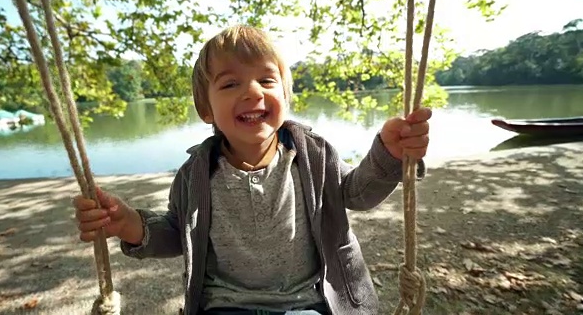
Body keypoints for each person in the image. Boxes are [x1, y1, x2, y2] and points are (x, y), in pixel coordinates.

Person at [73, 25, 431, 315]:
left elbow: (356, 193)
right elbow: (176, 231)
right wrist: (129, 224)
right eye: (230, 83)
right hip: (226, 305)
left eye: (267, 80)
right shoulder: (195, 174)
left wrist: (388, 154)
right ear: (206, 109)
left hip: (306, 303)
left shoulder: (314, 154)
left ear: (286, 96)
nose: (252, 92)